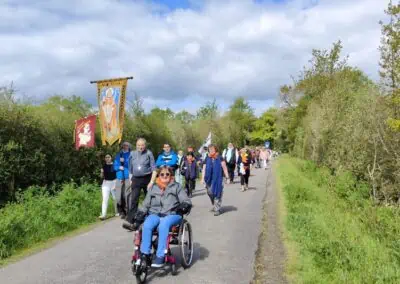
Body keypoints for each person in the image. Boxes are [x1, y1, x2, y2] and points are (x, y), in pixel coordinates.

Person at [132, 166, 192, 268]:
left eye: (167, 174)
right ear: (158, 176)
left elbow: (186, 201)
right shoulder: (153, 188)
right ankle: (145, 254)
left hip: (172, 214)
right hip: (154, 214)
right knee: (146, 225)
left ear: (171, 175)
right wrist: (139, 216)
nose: (164, 176)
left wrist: (183, 207)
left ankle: (160, 255)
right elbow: (145, 204)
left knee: (164, 225)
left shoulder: (176, 187)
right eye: (162, 174)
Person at [123, 138, 157, 230]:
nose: (140, 147)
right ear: (136, 145)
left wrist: (151, 182)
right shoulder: (132, 154)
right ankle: (131, 221)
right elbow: (130, 168)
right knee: (134, 199)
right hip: (136, 179)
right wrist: (130, 179)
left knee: (149, 199)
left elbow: (154, 169)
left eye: (142, 145)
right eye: (138, 145)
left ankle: (152, 219)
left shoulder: (149, 153)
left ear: (145, 145)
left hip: (147, 178)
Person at [201, 144, 230, 216]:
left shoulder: (220, 158)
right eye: (210, 149)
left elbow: (224, 168)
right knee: (210, 192)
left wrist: (227, 177)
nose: (211, 150)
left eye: (212, 149)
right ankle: (214, 204)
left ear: (215, 149)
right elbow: (204, 168)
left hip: (218, 179)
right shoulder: (207, 158)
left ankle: (217, 209)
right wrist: (202, 178)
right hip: (209, 179)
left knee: (218, 193)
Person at [113, 141, 131, 218]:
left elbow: (132, 165)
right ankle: (120, 210)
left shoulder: (131, 154)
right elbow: (114, 166)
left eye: (127, 145)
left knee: (126, 195)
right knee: (118, 196)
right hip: (119, 177)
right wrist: (119, 167)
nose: (125, 146)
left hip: (127, 176)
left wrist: (125, 162)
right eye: (124, 145)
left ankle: (126, 211)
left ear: (129, 146)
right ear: (122, 146)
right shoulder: (118, 155)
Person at [99, 154, 117, 220]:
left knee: (115, 199)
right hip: (106, 183)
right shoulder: (103, 166)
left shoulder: (115, 165)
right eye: (106, 157)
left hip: (114, 182)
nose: (107, 158)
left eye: (108, 157)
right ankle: (103, 214)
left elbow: (117, 174)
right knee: (105, 199)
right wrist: (101, 172)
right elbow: (101, 176)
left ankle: (117, 212)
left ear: (111, 158)